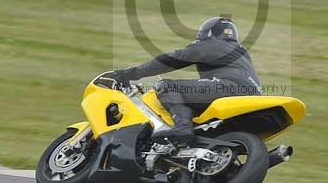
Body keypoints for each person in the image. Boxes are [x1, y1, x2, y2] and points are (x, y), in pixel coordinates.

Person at [112, 17, 262, 144]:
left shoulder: (211, 45)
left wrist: (131, 73)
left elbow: (172, 59)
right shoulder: (241, 52)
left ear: (208, 33)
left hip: (228, 88)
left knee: (168, 86)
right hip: (254, 96)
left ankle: (182, 127)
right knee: (192, 105)